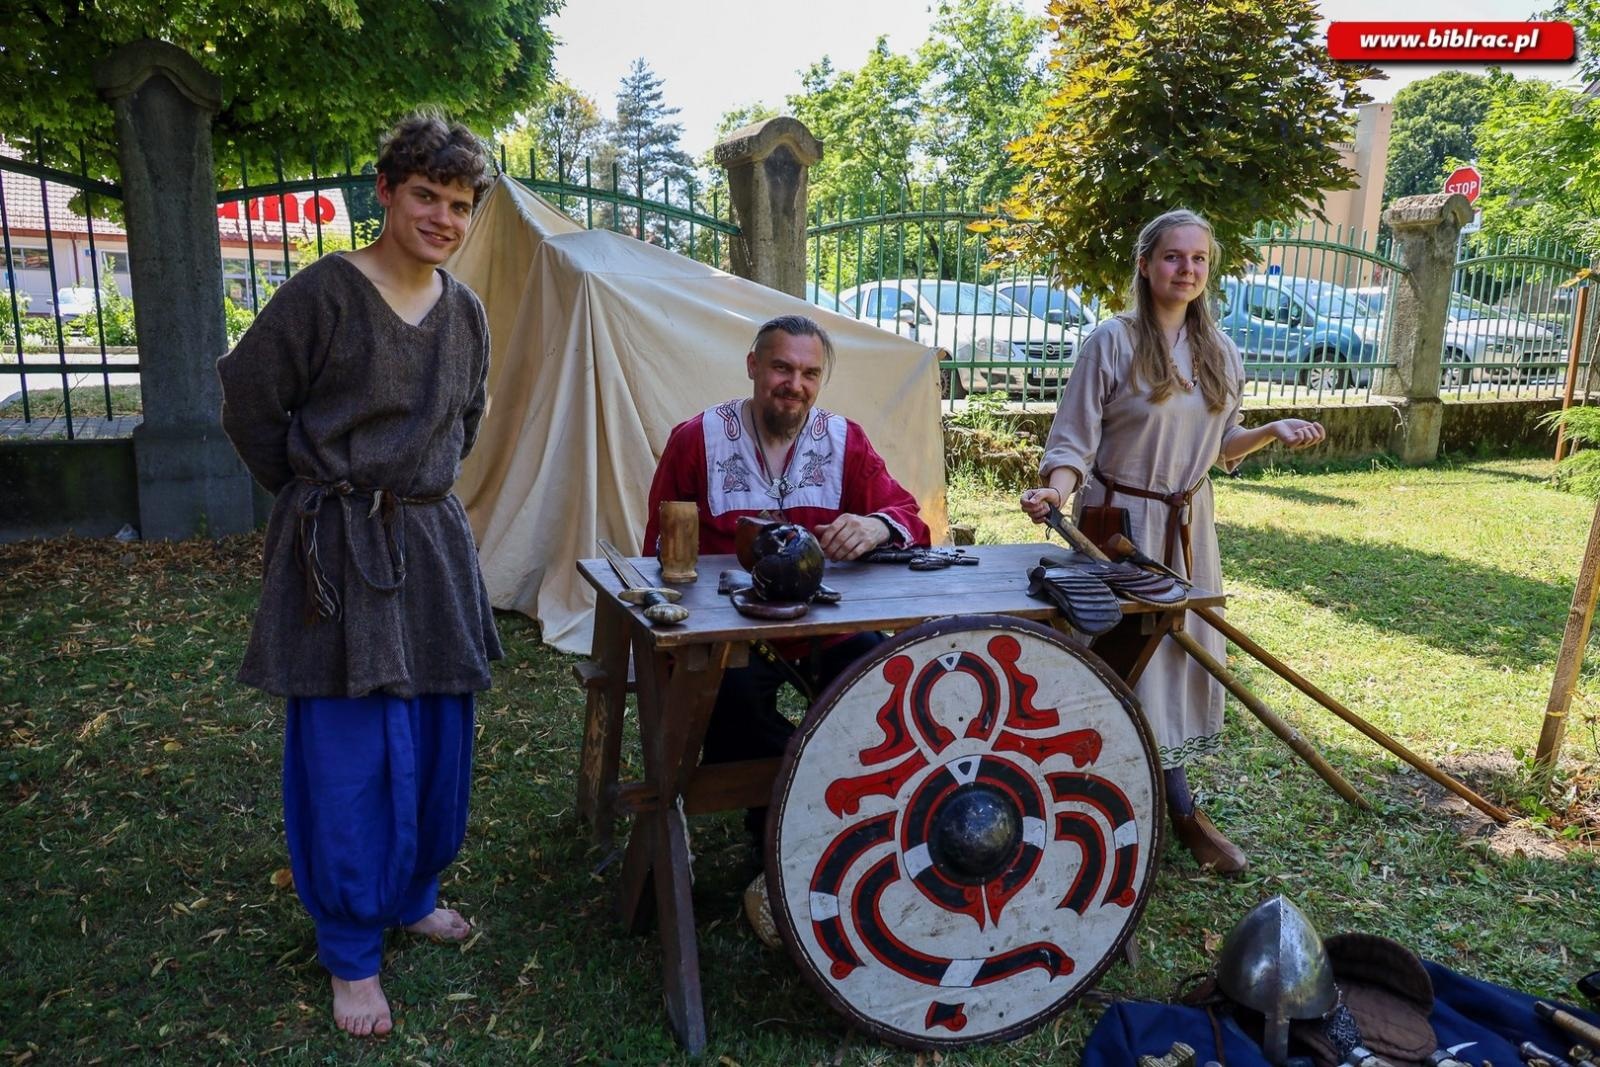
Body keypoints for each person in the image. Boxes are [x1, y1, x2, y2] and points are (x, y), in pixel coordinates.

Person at [217, 112, 502, 1037]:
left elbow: (465, 421)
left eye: (459, 204)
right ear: (384, 192)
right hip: (336, 548)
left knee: (436, 727)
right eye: (426, 195)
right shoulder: (324, 294)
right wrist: (315, 495)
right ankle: (349, 948)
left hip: (429, 545)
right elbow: (251, 401)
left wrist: (412, 493)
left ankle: (414, 888)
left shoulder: (467, 313)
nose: (443, 218)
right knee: (348, 748)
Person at [1019, 209, 1325, 874]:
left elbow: (1220, 448)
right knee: (1127, 660)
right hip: (1118, 530)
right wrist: (1057, 490)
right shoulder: (1112, 342)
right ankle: (1162, 809)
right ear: (1144, 264)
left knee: (1179, 661)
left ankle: (1168, 802)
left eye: (1197, 260)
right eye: (1172, 257)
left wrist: (1271, 430)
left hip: (1188, 527)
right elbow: (1073, 440)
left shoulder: (1221, 351)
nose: (1185, 270)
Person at [643, 314, 930, 829]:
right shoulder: (697, 440)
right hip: (731, 635)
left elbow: (908, 516)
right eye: (781, 368)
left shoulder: (845, 441)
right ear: (753, 366)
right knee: (731, 710)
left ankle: (854, 813)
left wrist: (875, 527)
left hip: (823, 625)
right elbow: (659, 550)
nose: (794, 385)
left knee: (882, 685)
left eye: (809, 374)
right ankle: (788, 823)